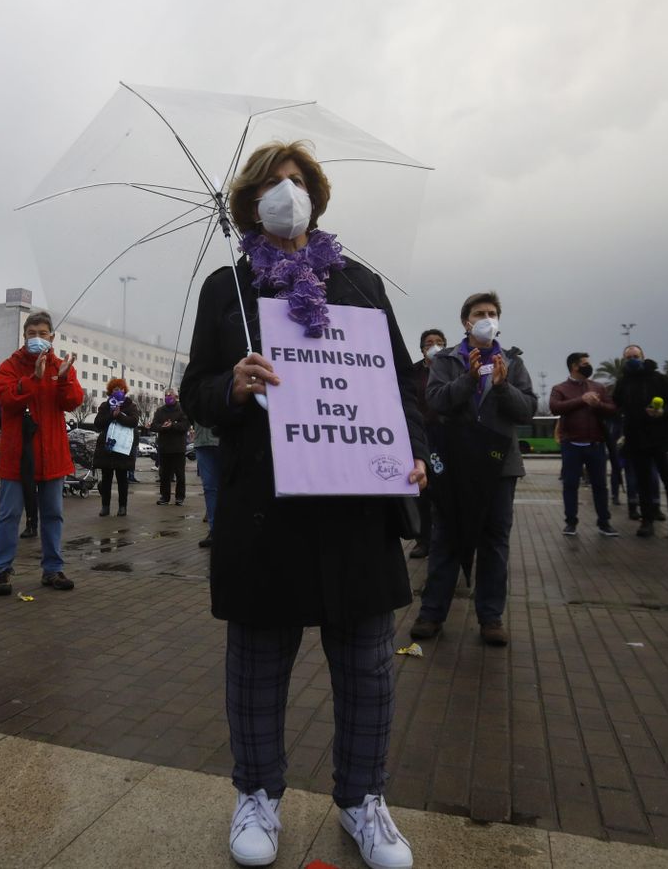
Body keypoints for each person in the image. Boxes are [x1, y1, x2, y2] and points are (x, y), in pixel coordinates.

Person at [180, 141, 422, 869]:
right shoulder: (227, 289)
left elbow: (404, 384)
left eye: (299, 182)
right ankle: (257, 794)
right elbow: (195, 391)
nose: (288, 193)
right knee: (256, 665)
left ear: (317, 195)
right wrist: (233, 385)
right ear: (250, 204)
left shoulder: (360, 282)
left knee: (368, 666)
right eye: (272, 185)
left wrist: (413, 449)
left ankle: (363, 800)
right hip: (266, 507)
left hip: (356, 499)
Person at [412, 291, 536, 647]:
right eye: (480, 312)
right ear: (465, 320)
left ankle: (491, 617)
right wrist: (467, 380)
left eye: (493, 312)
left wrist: (502, 387)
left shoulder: (512, 361)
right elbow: (435, 401)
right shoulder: (447, 361)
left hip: (500, 467)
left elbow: (526, 410)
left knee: (494, 542)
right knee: (446, 538)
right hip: (456, 465)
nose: (487, 318)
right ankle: (431, 613)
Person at [0, 311, 82, 596]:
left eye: (43, 333)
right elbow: (5, 399)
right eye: (32, 333)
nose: (38, 338)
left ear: (52, 337)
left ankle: (52, 569)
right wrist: (33, 378)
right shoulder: (10, 366)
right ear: (24, 336)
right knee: (9, 514)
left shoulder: (61, 366)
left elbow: (73, 401)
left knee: (53, 514)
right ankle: (1, 570)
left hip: (52, 455)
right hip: (18, 455)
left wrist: (63, 379)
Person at [611, 345, 668, 539]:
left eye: (636, 356)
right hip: (636, 440)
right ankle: (647, 521)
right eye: (628, 357)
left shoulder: (659, 379)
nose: (632, 359)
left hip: (662, 439)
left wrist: (663, 412)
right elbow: (615, 406)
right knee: (642, 483)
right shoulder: (623, 382)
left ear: (643, 357)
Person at [550, 351, 619, 538]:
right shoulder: (560, 388)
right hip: (571, 445)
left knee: (600, 485)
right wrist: (582, 400)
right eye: (584, 363)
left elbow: (612, 409)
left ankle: (604, 522)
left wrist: (598, 405)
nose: (588, 366)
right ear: (574, 366)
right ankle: (570, 522)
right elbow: (555, 407)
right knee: (570, 485)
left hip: (595, 444)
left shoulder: (598, 387)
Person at [409, 328, 450, 558]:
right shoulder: (413, 371)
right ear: (422, 348)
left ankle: (443, 538)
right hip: (420, 436)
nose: (434, 346)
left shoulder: (453, 368)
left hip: (445, 436)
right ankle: (422, 539)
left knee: (443, 488)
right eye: (428, 343)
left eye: (439, 342)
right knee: (421, 490)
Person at [93, 378, 140, 517]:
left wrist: (119, 415)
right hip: (107, 447)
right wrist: (110, 415)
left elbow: (134, 422)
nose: (117, 391)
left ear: (124, 390)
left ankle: (122, 507)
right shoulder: (105, 406)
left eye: (120, 389)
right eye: (115, 389)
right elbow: (98, 423)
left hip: (123, 447)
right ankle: (105, 506)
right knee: (106, 479)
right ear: (110, 391)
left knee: (122, 479)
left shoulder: (131, 406)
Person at [150, 387, 190, 505]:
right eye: (166, 395)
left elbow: (185, 426)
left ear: (175, 396)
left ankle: (180, 497)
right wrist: (162, 427)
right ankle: (164, 496)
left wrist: (173, 426)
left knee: (180, 475)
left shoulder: (182, 409)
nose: (168, 397)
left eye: (170, 395)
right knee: (164, 475)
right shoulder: (160, 411)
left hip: (178, 448)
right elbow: (154, 426)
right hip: (164, 448)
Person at [194, 421, 220, 547]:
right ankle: (214, 530)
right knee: (209, 488)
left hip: (224, 440)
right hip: (202, 442)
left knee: (229, 486)